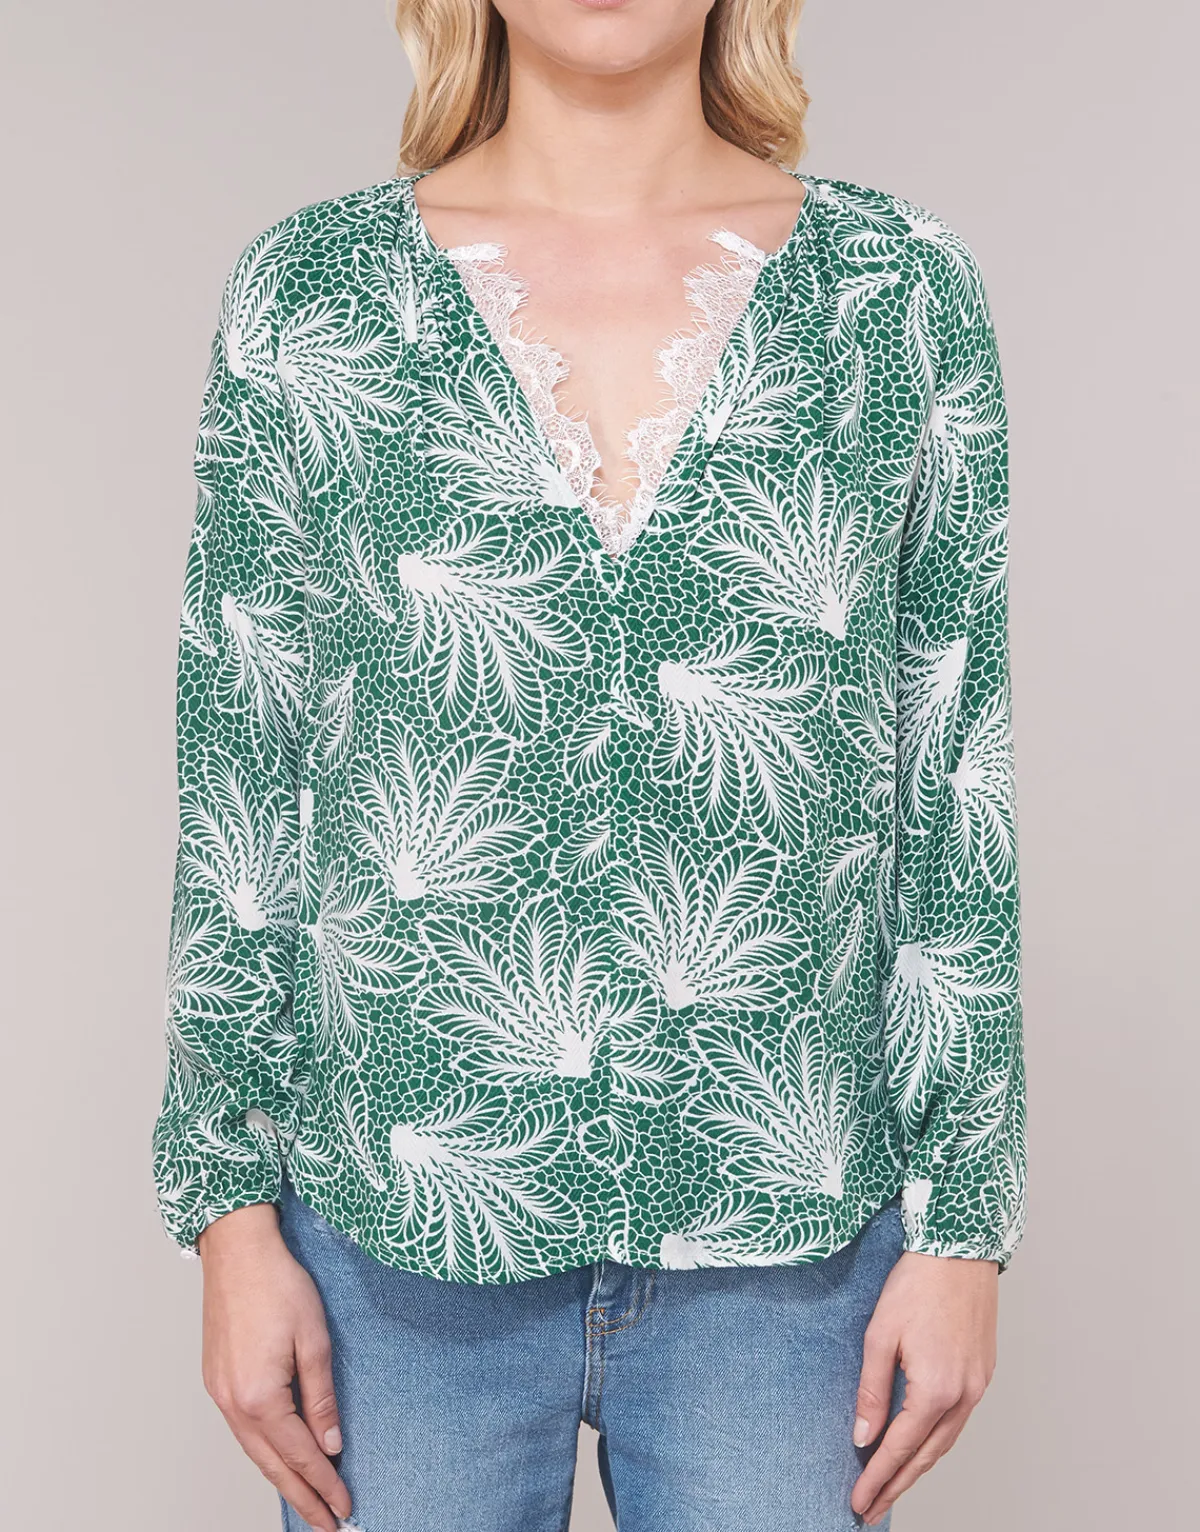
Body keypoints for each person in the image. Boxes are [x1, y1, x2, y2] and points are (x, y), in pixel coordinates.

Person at [152, 0, 1027, 1527]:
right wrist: (225, 1206)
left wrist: (966, 1220)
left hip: (787, 1236)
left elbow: (957, 760)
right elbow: (241, 751)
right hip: (397, 1232)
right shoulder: (314, 294)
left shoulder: (896, 290)